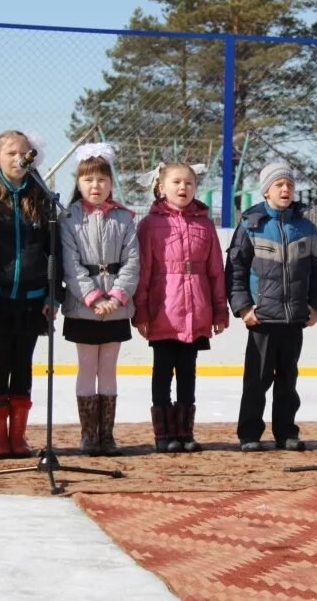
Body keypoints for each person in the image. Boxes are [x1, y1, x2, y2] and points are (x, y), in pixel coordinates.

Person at [225, 162, 317, 452]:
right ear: (266, 190)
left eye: (289, 185)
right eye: (278, 185)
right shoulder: (251, 225)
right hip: (262, 318)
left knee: (288, 380)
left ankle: (286, 431)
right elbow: (235, 271)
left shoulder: (306, 228)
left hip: (294, 318)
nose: (285, 190)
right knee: (256, 380)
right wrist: (244, 307)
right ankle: (249, 433)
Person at [0, 130, 59, 458]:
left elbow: (54, 250)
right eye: (10, 152)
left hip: (33, 299)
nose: (18, 157)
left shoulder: (42, 198)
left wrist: (52, 295)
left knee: (23, 364)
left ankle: (18, 436)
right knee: (0, 361)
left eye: (24, 152)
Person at [134, 162, 228, 453]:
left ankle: (185, 432)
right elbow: (144, 271)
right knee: (162, 371)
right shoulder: (150, 225)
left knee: (188, 372)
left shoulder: (204, 223)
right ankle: (164, 434)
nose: (182, 188)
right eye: (176, 182)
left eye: (188, 183)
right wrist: (141, 311)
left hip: (196, 312)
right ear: (161, 188)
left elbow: (215, 271)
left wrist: (219, 310)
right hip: (163, 311)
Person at [60, 143, 139, 456]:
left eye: (102, 180)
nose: (96, 186)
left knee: (108, 369)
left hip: (116, 309)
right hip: (83, 308)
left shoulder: (124, 218)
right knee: (86, 367)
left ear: (111, 184)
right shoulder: (69, 218)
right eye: (89, 180)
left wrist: (118, 297)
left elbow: (133, 260)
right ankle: (88, 435)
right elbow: (70, 263)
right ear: (78, 183)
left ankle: (107, 435)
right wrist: (92, 297)